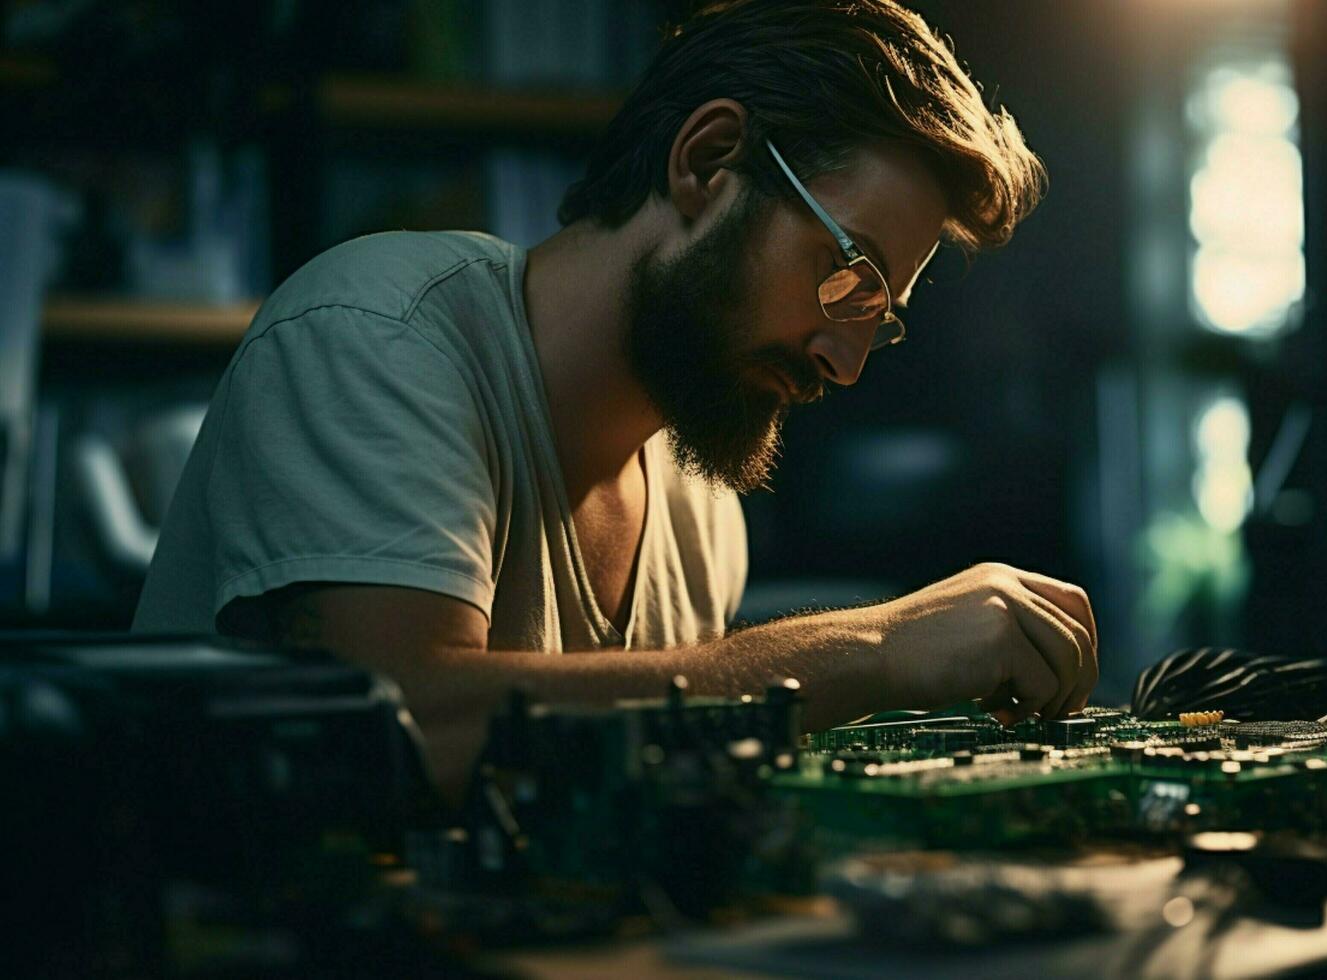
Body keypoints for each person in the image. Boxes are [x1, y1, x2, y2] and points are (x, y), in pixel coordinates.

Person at [133, 0, 1096, 795]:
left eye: (876, 316)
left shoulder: (699, 499)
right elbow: (404, 726)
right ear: (706, 162)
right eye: (846, 275)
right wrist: (874, 646)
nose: (844, 364)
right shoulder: (377, 332)